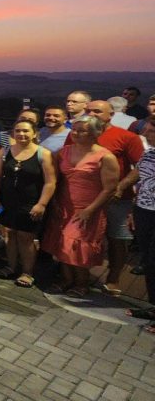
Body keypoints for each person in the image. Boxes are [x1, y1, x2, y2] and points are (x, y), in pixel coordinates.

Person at [41, 116, 118, 297]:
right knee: (61, 244)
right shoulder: (64, 152)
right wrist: (53, 202)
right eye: (74, 129)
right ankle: (66, 279)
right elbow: (55, 180)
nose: (75, 134)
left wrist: (90, 210)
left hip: (88, 208)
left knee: (78, 246)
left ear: (95, 133)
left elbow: (110, 189)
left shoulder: (106, 157)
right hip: (63, 205)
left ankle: (82, 283)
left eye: (81, 130)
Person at [79, 100, 145, 295]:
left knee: (117, 237)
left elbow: (142, 165)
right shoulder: (77, 134)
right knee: (82, 237)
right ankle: (81, 276)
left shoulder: (126, 137)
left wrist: (120, 186)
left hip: (116, 198)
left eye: (97, 111)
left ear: (110, 115)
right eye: (88, 110)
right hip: (84, 197)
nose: (92, 114)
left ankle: (113, 278)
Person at [0, 120, 57, 288]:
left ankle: (27, 272)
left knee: (27, 238)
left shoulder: (43, 154)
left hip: (30, 203)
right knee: (9, 235)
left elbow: (50, 182)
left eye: (26, 131)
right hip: (8, 201)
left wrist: (42, 204)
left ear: (34, 134)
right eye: (18, 131)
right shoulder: (4, 152)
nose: (21, 134)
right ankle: (11, 266)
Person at [127, 147, 155, 330]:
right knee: (148, 261)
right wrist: (132, 209)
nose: (146, 131)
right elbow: (140, 179)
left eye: (152, 128)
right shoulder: (150, 153)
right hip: (144, 210)